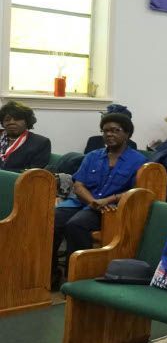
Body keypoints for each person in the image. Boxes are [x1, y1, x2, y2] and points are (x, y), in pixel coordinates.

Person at [52, 113, 146, 287]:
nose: (109, 134)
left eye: (115, 130)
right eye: (105, 131)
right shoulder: (93, 156)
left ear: (127, 134)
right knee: (51, 219)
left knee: (76, 225)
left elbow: (135, 192)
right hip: (84, 202)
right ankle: (51, 276)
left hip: (111, 209)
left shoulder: (139, 161)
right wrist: (91, 201)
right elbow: (78, 184)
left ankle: (77, 278)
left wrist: (107, 200)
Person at [0, 101, 51, 172]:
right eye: (7, 119)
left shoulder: (41, 143)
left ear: (27, 122)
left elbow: (33, 173)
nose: (11, 122)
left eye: (17, 119)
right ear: (2, 123)